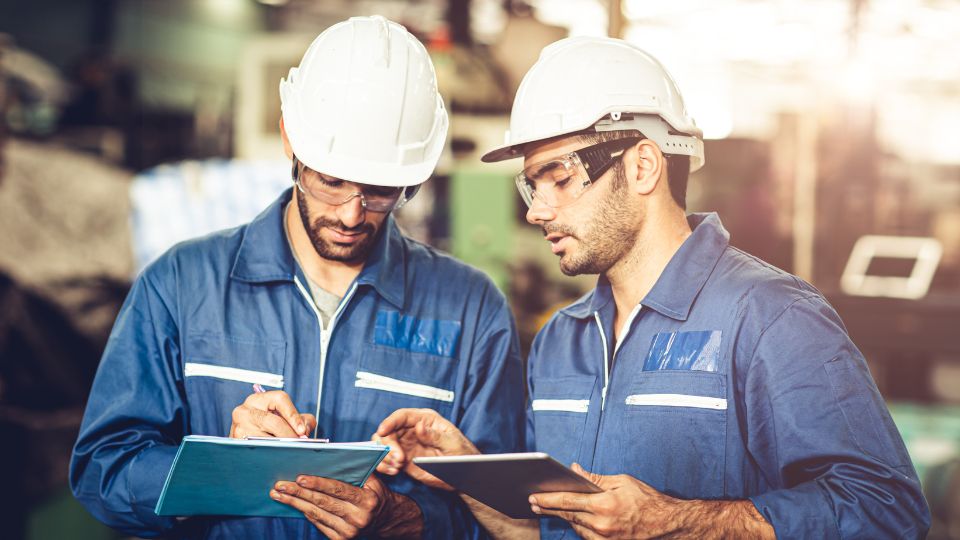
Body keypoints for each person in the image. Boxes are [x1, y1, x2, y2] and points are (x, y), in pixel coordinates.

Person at [374, 36, 931, 539]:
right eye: (531, 185)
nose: (537, 211)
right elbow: (545, 532)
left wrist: (674, 521)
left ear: (642, 166)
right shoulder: (559, 343)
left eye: (560, 179)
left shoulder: (771, 318)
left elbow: (887, 509)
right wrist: (467, 470)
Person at [70, 16, 524, 539]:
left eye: (380, 190)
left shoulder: (471, 309)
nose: (353, 214)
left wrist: (404, 520)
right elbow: (101, 473)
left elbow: (505, 519)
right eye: (331, 182)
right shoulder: (179, 285)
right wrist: (222, 467)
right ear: (291, 141)